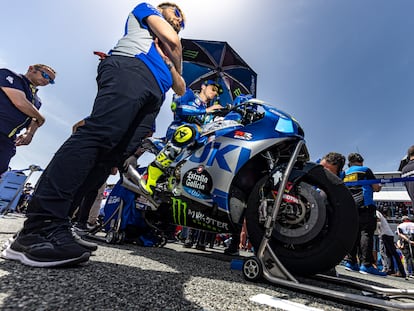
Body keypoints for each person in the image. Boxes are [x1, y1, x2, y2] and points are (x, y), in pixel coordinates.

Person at [1, 2, 186, 268]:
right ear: (163, 9)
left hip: (154, 91)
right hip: (131, 68)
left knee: (111, 156)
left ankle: (61, 225)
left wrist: (170, 61)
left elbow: (180, 87)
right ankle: (37, 228)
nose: (180, 20)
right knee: (98, 136)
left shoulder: (166, 51)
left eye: (183, 20)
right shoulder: (147, 11)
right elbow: (173, 41)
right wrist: (173, 51)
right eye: (177, 14)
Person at [139, 80, 223, 195]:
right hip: (177, 130)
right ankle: (151, 173)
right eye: (213, 89)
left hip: (194, 140)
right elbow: (178, 108)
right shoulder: (189, 93)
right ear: (203, 86)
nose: (215, 93)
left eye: (217, 93)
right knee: (190, 130)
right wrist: (205, 110)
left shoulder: (209, 109)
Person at [0, 64, 56, 175]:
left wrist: (30, 133)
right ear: (31, 69)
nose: (47, 80)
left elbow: (33, 119)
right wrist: (41, 118)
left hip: (8, 139)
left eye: (51, 81)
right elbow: (20, 102)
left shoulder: (37, 101)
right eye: (45, 75)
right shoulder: (9, 75)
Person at [342, 153, 385, 276]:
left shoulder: (344, 173)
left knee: (353, 234)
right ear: (361, 161)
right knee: (366, 233)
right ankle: (366, 265)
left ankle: (351, 262)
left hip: (350, 206)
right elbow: (376, 187)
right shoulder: (365, 170)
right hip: (365, 206)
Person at [376, 211, 406, 278]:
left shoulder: (375, 212)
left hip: (386, 234)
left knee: (391, 253)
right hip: (385, 234)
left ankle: (401, 271)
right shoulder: (376, 212)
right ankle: (390, 270)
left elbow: (378, 219)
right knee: (388, 253)